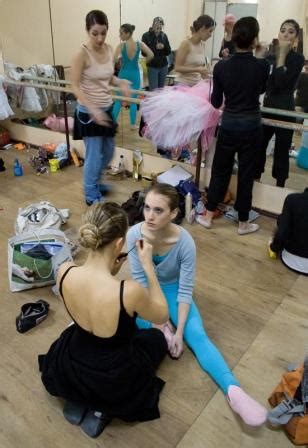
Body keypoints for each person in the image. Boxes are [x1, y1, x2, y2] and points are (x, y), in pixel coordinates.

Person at [127, 183, 268, 427]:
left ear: (173, 214)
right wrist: (160, 325)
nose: (149, 216)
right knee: (136, 327)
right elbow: (141, 283)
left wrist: (179, 332)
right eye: (147, 208)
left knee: (198, 336)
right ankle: (163, 330)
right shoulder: (134, 235)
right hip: (146, 290)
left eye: (158, 210)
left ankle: (233, 389)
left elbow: (184, 289)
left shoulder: (185, 242)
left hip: (172, 290)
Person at [38, 202, 169, 438]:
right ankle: (101, 407)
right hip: (112, 375)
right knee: (157, 338)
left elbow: (92, 292)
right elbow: (162, 315)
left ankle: (77, 397)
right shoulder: (129, 291)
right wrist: (149, 268)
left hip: (72, 359)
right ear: (120, 243)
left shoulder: (64, 271)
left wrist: (110, 271)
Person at [196, 17, 270, 235]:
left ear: (234, 38)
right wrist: (260, 56)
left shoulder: (221, 67)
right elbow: (261, 91)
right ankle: (243, 223)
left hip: (229, 126)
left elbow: (217, 102)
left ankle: (208, 216)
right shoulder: (262, 66)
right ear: (255, 39)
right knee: (246, 175)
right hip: (251, 127)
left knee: (220, 171)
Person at [71, 10, 130, 206]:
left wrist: (119, 81)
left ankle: (94, 181)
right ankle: (90, 193)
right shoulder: (82, 53)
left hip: (105, 108)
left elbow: (107, 77)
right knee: (94, 156)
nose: (99, 38)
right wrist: (92, 109)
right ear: (88, 31)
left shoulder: (109, 49)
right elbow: (74, 86)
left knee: (109, 151)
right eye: (95, 33)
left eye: (103, 32)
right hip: (89, 112)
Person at [254, 19, 305, 187]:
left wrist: (282, 55)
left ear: (296, 38)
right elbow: (263, 84)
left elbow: (282, 83)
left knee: (282, 150)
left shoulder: (298, 59)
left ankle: (280, 186)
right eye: (283, 30)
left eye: (291, 31)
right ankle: (256, 179)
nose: (286, 34)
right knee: (259, 146)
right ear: (278, 33)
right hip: (268, 106)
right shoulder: (269, 56)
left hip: (285, 108)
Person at [112, 23, 153, 129]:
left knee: (118, 100)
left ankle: (112, 123)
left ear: (128, 33)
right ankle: (133, 124)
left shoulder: (121, 46)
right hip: (135, 74)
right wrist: (142, 61)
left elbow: (114, 60)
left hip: (123, 74)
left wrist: (118, 61)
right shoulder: (140, 44)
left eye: (121, 33)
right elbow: (151, 55)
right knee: (133, 101)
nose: (119, 36)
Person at [268, 188, 308, 275]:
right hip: (293, 259)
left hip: (292, 260)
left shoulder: (292, 200)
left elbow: (282, 233)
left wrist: (273, 247)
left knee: (282, 219)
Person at [175, 15, 215, 86]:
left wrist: (207, 74)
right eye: (210, 31)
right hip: (183, 84)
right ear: (202, 28)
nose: (210, 35)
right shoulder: (186, 44)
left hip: (196, 84)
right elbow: (177, 67)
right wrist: (197, 69)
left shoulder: (202, 44)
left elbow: (200, 69)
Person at [142, 17, 171, 91]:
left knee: (161, 90)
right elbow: (143, 53)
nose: (158, 26)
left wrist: (164, 47)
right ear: (152, 24)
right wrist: (154, 48)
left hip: (163, 66)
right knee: (154, 91)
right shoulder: (146, 36)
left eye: (160, 24)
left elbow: (169, 52)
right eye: (156, 23)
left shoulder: (164, 36)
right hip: (152, 66)